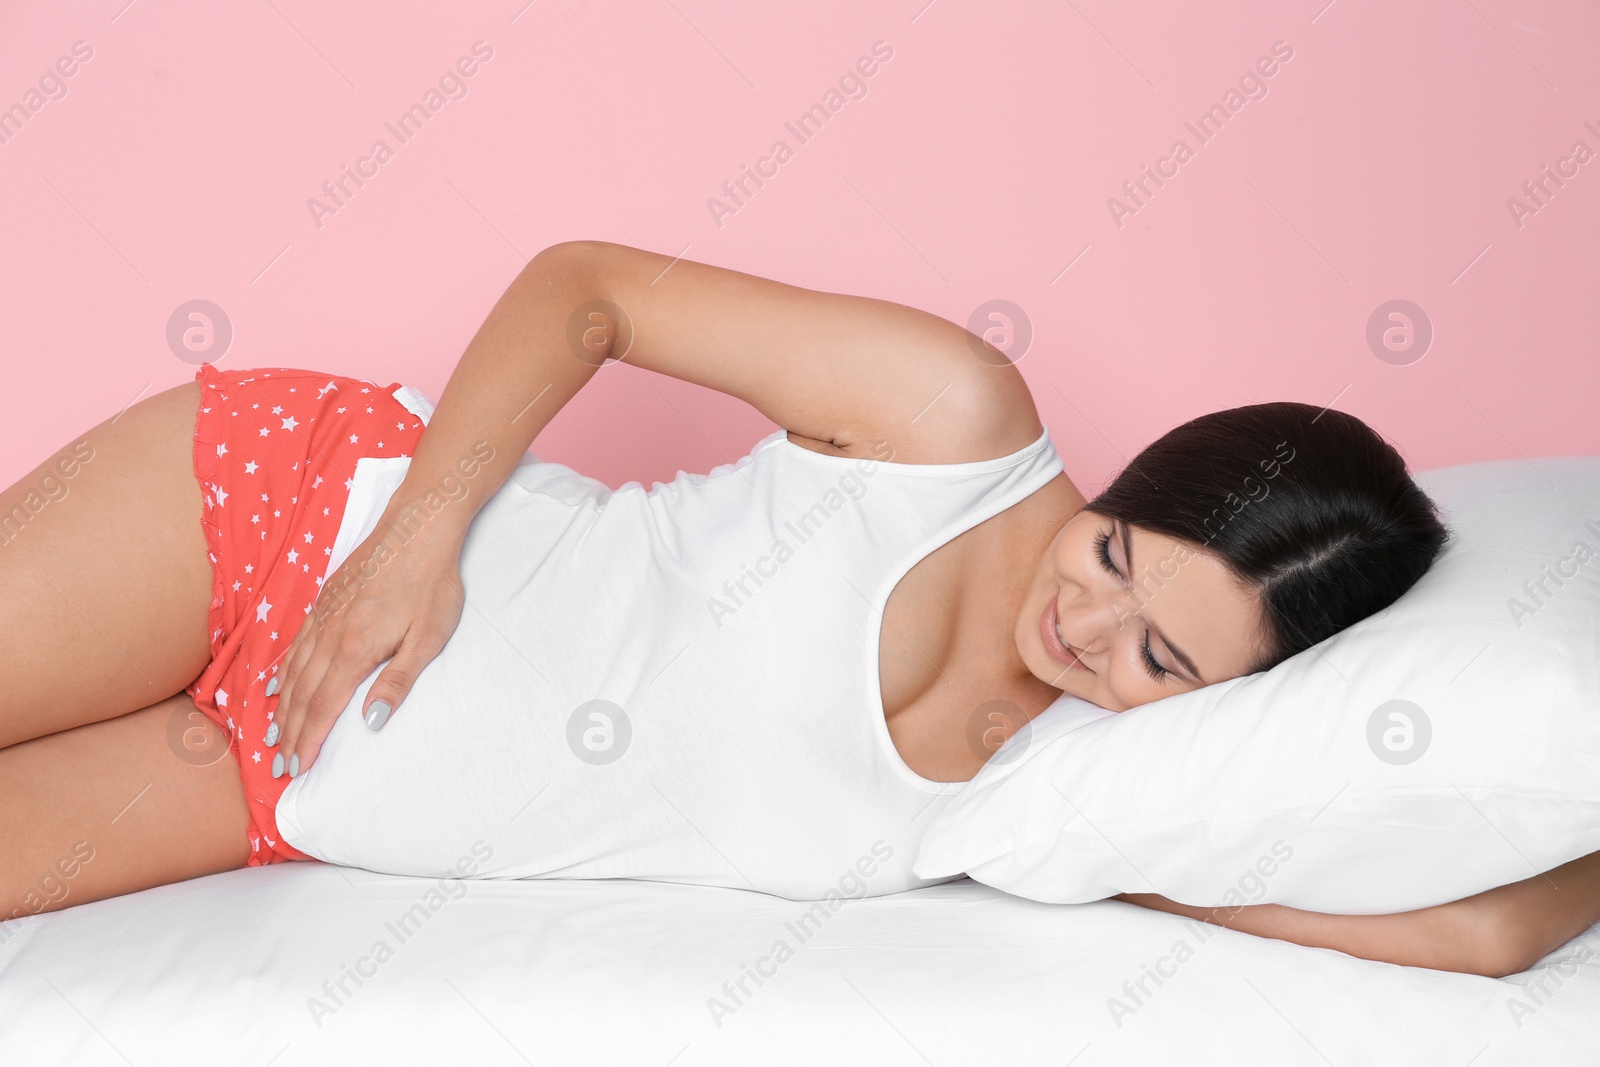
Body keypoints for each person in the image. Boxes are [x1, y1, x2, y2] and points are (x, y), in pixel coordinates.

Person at [1, 241, 1594, 978]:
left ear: (1232, 698)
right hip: (286, 519)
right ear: (1122, 492)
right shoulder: (955, 423)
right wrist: (416, 540)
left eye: (1161, 658)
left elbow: (1485, 926)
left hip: (288, 779)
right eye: (1113, 555)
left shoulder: (1060, 804)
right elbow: (585, 287)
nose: (1087, 634)